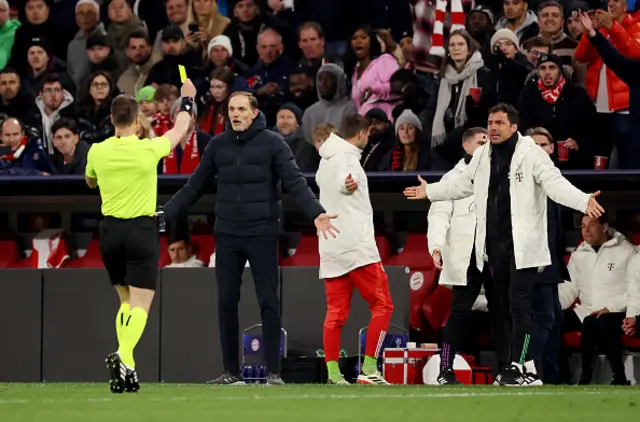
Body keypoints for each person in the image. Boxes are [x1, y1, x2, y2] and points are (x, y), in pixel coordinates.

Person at [403, 103, 604, 386]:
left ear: (513, 127)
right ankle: (496, 368)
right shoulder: (483, 155)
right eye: (490, 122)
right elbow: (460, 184)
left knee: (518, 307)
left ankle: (521, 367)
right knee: (493, 309)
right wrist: (431, 191)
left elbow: (554, 184)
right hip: (490, 249)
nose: (493, 128)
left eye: (499, 123)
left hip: (522, 248)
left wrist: (583, 200)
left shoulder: (531, 154)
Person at [161, 91, 338, 386]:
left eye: (241, 109)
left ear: (254, 113)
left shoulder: (273, 143)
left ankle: (273, 373)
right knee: (226, 303)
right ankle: (231, 372)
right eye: (231, 109)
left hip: (262, 232)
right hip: (227, 234)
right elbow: (193, 186)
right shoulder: (217, 145)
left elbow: (295, 182)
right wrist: (165, 213)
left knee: (269, 301)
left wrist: (316, 213)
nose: (235, 114)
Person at [84, 78, 197, 394]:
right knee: (142, 303)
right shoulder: (149, 148)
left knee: (124, 299)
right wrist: (186, 100)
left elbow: (90, 182)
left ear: (111, 120)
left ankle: (128, 367)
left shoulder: (97, 151)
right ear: (137, 121)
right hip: (141, 230)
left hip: (109, 232)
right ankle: (123, 354)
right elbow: (179, 131)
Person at [427, 127, 510, 385]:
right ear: (466, 146)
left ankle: (508, 370)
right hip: (466, 257)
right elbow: (439, 215)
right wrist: (436, 246)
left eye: (489, 141)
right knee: (460, 312)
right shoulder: (451, 178)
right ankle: (445, 369)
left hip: (495, 255)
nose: (487, 145)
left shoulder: (500, 174)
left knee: (502, 312)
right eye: (481, 141)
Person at [316, 114, 394, 386]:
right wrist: (347, 186)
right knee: (383, 305)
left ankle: (334, 375)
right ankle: (370, 369)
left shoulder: (325, 159)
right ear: (362, 134)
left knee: (335, 315)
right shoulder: (348, 158)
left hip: (331, 247)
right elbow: (345, 181)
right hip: (357, 248)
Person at [559, 214, 634, 385]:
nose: (586, 230)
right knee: (550, 323)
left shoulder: (626, 250)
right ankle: (561, 375)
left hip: (616, 310)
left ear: (605, 227)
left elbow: (634, 289)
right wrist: (554, 306)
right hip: (585, 310)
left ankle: (607, 377)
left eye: (591, 225)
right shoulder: (579, 254)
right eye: (583, 226)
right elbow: (569, 288)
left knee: (596, 322)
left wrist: (612, 307)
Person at [526, 127, 569, 384]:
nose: (540, 150)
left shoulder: (553, 176)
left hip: (552, 263)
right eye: (534, 145)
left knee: (554, 319)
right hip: (536, 263)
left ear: (552, 148)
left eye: (544, 145)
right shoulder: (526, 180)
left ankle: (552, 376)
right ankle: (533, 373)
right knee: (543, 319)